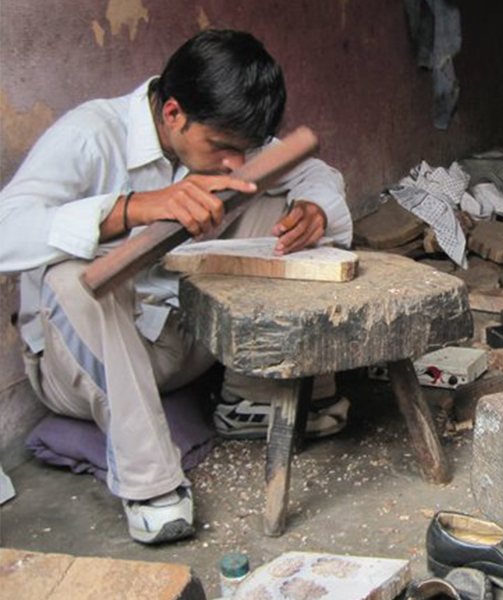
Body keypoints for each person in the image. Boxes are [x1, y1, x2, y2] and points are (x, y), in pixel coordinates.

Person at [0, 29, 353, 544]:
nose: (235, 161)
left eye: (245, 149)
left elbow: (314, 171)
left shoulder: (232, 138)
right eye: (222, 147)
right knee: (69, 275)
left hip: (183, 345)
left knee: (274, 207)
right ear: (172, 113)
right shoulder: (91, 135)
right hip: (85, 368)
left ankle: (251, 398)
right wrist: (129, 211)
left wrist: (315, 210)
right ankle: (152, 486)